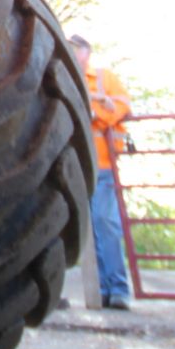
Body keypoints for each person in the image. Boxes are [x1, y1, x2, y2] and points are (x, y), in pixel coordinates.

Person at [69, 34, 133, 310]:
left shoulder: (105, 78)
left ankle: (117, 288)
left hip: (103, 164)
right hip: (75, 165)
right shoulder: (65, 78)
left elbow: (121, 105)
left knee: (106, 224)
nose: (73, 55)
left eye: (76, 50)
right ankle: (100, 291)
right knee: (86, 230)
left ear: (87, 53)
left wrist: (96, 115)